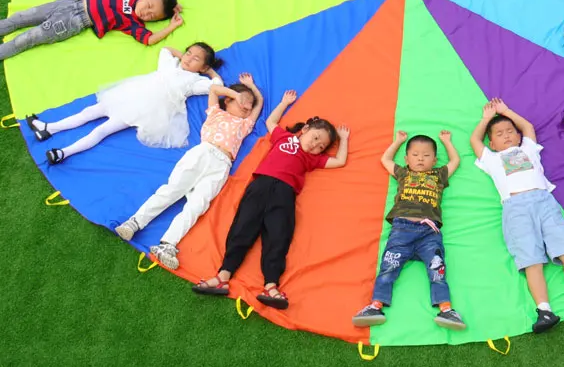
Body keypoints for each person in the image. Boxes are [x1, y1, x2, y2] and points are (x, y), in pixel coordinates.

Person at [469, 98, 564, 333]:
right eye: (499, 134)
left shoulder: (527, 149)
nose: (507, 135)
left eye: (510, 131)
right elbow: (475, 140)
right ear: (493, 143)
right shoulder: (492, 159)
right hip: (516, 207)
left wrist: (507, 111)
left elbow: (527, 127)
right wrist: (486, 119)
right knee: (531, 259)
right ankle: (544, 310)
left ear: (518, 137)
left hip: (544, 202)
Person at [191, 90, 349, 308]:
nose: (315, 146)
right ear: (305, 130)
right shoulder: (283, 137)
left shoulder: (312, 159)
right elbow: (271, 121)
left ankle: (271, 285)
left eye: (321, 146)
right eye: (315, 138)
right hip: (260, 186)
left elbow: (340, 161)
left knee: (278, 236)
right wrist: (284, 103)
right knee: (243, 227)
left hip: (285, 195)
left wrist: (344, 140)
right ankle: (223, 276)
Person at [115, 73, 263, 270]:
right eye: (243, 102)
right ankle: (134, 222)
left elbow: (259, 103)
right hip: (203, 152)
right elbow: (214, 89)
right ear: (228, 100)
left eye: (249, 105)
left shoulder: (245, 125)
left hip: (222, 165)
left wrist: (252, 89)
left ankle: (167, 244)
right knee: (172, 190)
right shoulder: (216, 113)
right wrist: (237, 94)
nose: (246, 107)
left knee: (198, 205)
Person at [26, 43, 232, 165]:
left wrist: (209, 71)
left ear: (202, 67)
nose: (188, 59)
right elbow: (166, 49)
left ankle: (64, 152)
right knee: (88, 112)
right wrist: (183, 56)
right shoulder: (171, 64)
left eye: (196, 59)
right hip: (128, 94)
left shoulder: (195, 81)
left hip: (144, 109)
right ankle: (48, 128)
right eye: (188, 53)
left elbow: (217, 86)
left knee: (101, 130)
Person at [352, 130, 466, 331]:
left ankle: (446, 309)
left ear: (434, 160)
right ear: (407, 159)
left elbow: (455, 160)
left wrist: (447, 141)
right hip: (402, 229)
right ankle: (375, 306)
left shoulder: (438, 175)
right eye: (415, 155)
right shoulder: (403, 173)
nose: (420, 159)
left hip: (429, 232)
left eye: (426, 155)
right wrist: (398, 141)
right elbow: (385, 159)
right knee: (389, 267)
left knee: (437, 270)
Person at [0, 0, 180, 63]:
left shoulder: (133, 22)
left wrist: (171, 26)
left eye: (151, 17)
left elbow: (149, 39)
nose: (146, 13)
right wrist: (174, 0)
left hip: (74, 20)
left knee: (28, 38)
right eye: (149, 6)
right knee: (22, 16)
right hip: (71, 2)